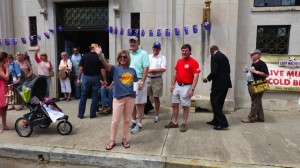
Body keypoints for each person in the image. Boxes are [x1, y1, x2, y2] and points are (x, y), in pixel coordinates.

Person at [95, 47, 137, 150]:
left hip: (130, 98)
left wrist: (136, 91)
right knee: (115, 121)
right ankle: (112, 140)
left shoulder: (133, 70)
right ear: (118, 58)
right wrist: (100, 55)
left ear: (128, 59)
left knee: (127, 120)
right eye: (121, 57)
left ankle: (124, 138)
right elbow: (105, 64)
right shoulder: (115, 69)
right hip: (118, 98)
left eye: (125, 57)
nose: (123, 58)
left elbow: (135, 84)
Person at [165, 44, 200, 132]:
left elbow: (196, 76)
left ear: (190, 52)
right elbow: (175, 74)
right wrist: (172, 84)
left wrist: (192, 89)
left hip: (187, 86)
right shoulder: (179, 61)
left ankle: (184, 123)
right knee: (174, 105)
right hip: (177, 85)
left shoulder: (194, 62)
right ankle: (174, 122)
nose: (184, 52)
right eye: (183, 51)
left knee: (185, 106)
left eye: (186, 51)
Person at [203, 45, 232, 130]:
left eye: (210, 52)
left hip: (219, 85)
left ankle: (223, 123)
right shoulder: (224, 56)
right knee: (219, 103)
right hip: (225, 84)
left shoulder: (215, 56)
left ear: (211, 50)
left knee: (214, 101)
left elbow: (214, 71)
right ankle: (216, 120)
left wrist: (207, 78)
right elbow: (228, 70)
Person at [77, 43, 106, 119]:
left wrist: (78, 78)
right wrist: (105, 80)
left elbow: (80, 69)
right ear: (94, 48)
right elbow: (102, 70)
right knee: (95, 96)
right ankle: (92, 114)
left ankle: (81, 114)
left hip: (86, 77)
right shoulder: (100, 57)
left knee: (83, 95)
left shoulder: (85, 56)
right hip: (96, 77)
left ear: (90, 48)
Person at [128, 36, 150, 134]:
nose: (132, 44)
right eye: (131, 42)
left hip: (139, 80)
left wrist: (142, 82)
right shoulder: (128, 54)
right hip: (128, 81)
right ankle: (133, 121)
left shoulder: (143, 53)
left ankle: (140, 124)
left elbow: (146, 68)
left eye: (134, 42)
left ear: (138, 43)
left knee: (139, 103)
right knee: (132, 102)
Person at [241, 49, 269, 123]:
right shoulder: (253, 63)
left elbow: (266, 74)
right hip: (253, 84)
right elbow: (253, 74)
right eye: (251, 54)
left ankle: (251, 118)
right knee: (257, 101)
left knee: (255, 102)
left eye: (252, 54)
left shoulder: (261, 63)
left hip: (259, 84)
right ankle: (260, 117)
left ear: (258, 55)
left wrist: (255, 71)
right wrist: (248, 71)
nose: (251, 56)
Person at [147, 42, 166, 123]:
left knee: (156, 97)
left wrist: (153, 70)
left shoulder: (162, 57)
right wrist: (154, 70)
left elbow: (163, 69)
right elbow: (145, 67)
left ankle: (156, 114)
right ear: (152, 48)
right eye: (154, 47)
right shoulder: (148, 56)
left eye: (157, 48)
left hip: (157, 79)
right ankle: (142, 112)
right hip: (148, 78)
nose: (156, 49)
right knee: (144, 97)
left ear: (160, 49)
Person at [0, 52, 10, 133]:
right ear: (4, 59)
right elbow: (6, 77)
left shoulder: (3, 67)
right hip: (1, 88)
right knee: (1, 108)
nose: (8, 60)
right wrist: (7, 68)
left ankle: (4, 125)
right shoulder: (0, 68)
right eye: (7, 58)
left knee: (4, 108)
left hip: (4, 87)